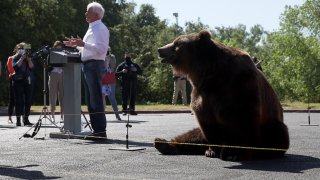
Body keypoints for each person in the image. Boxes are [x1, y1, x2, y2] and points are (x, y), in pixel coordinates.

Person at [64, 2, 109, 138]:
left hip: (94, 65)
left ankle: (100, 131)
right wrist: (77, 46)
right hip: (88, 65)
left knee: (95, 99)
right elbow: (88, 49)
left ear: (96, 14)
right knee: (90, 100)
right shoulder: (92, 28)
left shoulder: (100, 28)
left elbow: (101, 49)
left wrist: (83, 43)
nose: (85, 13)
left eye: (87, 11)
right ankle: (97, 130)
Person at [12, 42, 34, 126]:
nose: (25, 51)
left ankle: (26, 119)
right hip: (18, 81)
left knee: (28, 100)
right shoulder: (15, 57)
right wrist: (21, 58)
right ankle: (18, 120)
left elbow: (32, 67)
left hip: (27, 80)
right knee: (19, 100)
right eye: (23, 49)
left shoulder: (29, 57)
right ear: (19, 50)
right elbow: (16, 67)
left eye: (26, 49)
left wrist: (28, 59)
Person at [103, 47, 121, 120]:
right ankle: (102, 115)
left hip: (110, 79)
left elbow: (113, 67)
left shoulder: (112, 57)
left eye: (108, 51)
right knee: (102, 97)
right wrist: (105, 60)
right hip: (103, 79)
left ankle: (117, 115)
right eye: (106, 51)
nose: (107, 52)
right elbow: (102, 68)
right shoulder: (101, 57)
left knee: (112, 98)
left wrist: (108, 59)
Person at [48, 41, 64, 122]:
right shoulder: (51, 53)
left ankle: (62, 115)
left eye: (60, 47)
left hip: (62, 74)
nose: (59, 49)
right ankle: (53, 115)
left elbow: (65, 63)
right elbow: (48, 64)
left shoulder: (64, 53)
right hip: (53, 74)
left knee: (62, 95)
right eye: (57, 47)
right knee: (53, 94)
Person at [6, 44, 18, 124]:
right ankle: (10, 117)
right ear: (15, 50)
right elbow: (11, 69)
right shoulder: (11, 58)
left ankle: (21, 117)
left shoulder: (24, 59)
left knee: (20, 99)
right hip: (13, 78)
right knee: (12, 99)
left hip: (22, 80)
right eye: (18, 48)